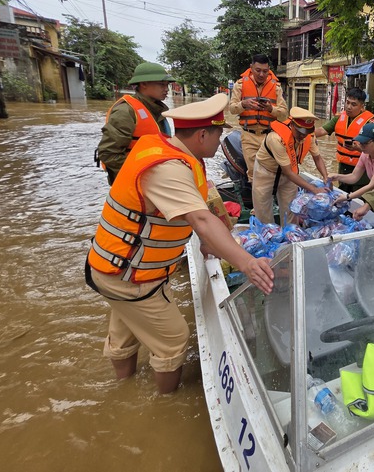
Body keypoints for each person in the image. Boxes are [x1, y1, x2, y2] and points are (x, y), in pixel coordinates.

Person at [85, 94, 274, 394]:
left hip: (115, 267)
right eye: (218, 133)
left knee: (125, 335)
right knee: (174, 338)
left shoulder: (165, 149)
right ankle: (166, 403)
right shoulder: (169, 168)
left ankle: (122, 390)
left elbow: (190, 214)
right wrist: (248, 263)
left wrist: (209, 243)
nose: (220, 141)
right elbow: (200, 219)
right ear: (202, 134)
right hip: (129, 276)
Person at [95, 62, 175, 185]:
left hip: (153, 179)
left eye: (167, 85)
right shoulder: (125, 111)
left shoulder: (156, 109)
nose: (166, 89)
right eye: (161, 85)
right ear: (143, 84)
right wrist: (142, 174)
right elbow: (108, 154)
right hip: (134, 181)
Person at [251, 107, 330, 225]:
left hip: (289, 175)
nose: (303, 136)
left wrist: (326, 177)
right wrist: (314, 189)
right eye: (300, 132)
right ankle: (269, 237)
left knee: (291, 209)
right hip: (266, 171)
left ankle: (290, 236)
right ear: (292, 125)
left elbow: (317, 158)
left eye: (306, 132)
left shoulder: (308, 136)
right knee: (263, 211)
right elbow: (289, 172)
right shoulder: (276, 138)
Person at [228, 54, 289, 182]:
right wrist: (243, 104)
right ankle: (256, 199)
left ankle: (271, 198)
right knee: (253, 174)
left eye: (265, 71)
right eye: (258, 70)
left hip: (269, 136)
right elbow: (232, 109)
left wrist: (270, 109)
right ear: (251, 68)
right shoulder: (240, 85)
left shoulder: (276, 87)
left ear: (269, 70)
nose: (262, 74)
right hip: (248, 135)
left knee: (272, 171)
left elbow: (284, 114)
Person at [315, 87, 374, 194]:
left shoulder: (371, 122)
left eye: (353, 104)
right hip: (343, 167)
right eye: (347, 103)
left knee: (359, 201)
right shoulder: (339, 118)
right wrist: (306, 132)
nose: (348, 107)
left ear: (362, 106)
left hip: (363, 170)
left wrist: (357, 148)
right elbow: (321, 131)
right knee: (342, 197)